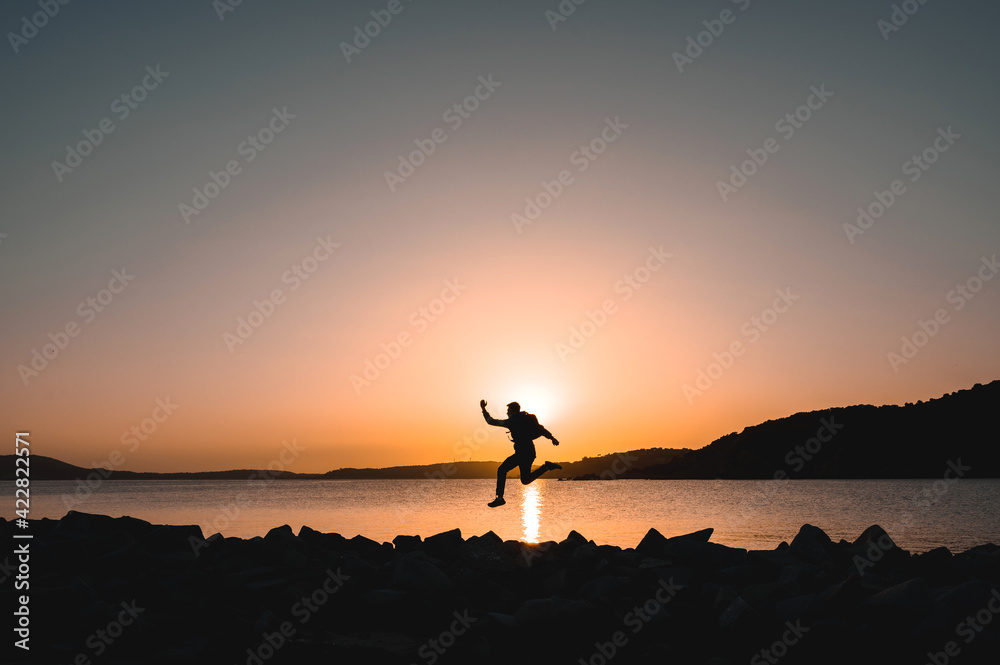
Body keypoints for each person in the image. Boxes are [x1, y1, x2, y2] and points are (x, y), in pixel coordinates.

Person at [480, 399, 562, 507]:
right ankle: (546, 467)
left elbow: (491, 421)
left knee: (502, 469)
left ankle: (499, 498)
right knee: (525, 480)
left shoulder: (511, 421)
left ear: (513, 411)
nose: (507, 413)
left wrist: (483, 409)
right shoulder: (525, 420)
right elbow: (541, 429)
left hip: (522, 452)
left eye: (508, 410)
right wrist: (552, 438)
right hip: (530, 452)